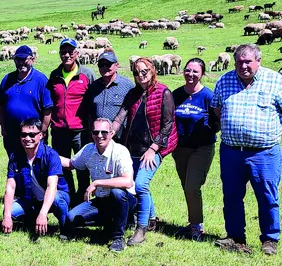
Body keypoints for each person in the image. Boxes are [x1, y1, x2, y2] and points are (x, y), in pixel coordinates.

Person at [211, 44, 282, 255]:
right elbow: (217, 109)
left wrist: (272, 132)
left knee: (267, 196)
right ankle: (234, 236)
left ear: (258, 60)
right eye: (239, 61)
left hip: (264, 153)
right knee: (231, 196)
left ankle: (270, 239)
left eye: (248, 61)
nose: (243, 66)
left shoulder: (275, 80)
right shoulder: (225, 80)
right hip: (231, 151)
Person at [112, 57, 177, 246]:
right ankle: (152, 218)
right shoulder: (133, 93)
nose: (140, 75)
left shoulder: (164, 92)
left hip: (154, 147)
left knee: (140, 185)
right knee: (136, 183)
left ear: (152, 70)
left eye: (144, 71)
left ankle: (141, 229)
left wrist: (153, 149)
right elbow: (121, 115)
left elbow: (168, 124)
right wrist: (110, 132)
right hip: (133, 147)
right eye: (136, 72)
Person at [60, 119, 136, 253]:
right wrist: (46, 153)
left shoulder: (120, 152)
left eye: (104, 132)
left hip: (124, 199)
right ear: (92, 134)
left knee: (117, 193)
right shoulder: (89, 149)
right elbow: (71, 164)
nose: (99, 135)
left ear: (112, 133)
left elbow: (127, 182)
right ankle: (110, 223)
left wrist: (97, 183)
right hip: (101, 200)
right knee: (71, 218)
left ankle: (118, 238)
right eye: (96, 132)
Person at [171, 58, 219, 241]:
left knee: (192, 186)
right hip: (180, 148)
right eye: (188, 70)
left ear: (202, 74)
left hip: (202, 147)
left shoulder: (208, 96)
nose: (190, 74)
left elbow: (218, 120)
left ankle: (197, 226)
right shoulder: (176, 95)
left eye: (195, 71)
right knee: (186, 186)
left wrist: (207, 129)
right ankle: (193, 223)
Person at [1, 118, 69, 237]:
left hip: (55, 195)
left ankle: (65, 229)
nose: (27, 138)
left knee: (58, 199)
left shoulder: (51, 155)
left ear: (41, 135)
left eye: (32, 135)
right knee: (9, 211)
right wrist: (6, 217)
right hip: (31, 199)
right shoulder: (15, 157)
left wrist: (43, 213)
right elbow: (10, 187)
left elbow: (51, 187)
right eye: (24, 135)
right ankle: (33, 219)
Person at [46, 38, 95, 201]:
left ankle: (83, 199)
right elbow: (50, 101)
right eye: (63, 52)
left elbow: (93, 102)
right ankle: (68, 198)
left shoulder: (86, 74)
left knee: (82, 167)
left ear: (77, 53)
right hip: (59, 131)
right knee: (61, 167)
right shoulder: (54, 75)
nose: (67, 55)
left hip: (80, 131)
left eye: (70, 52)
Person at [0, 45, 53, 157]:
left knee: (35, 166)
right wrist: (2, 128)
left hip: (33, 135)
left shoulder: (41, 80)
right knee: (14, 166)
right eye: (18, 59)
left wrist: (43, 131)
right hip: (12, 135)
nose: (21, 63)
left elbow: (48, 109)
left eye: (24, 59)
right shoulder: (7, 79)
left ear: (32, 59)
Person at [81, 51, 132, 141]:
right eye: (101, 65)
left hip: (120, 138)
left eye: (108, 64)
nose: (104, 67)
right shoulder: (94, 86)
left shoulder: (127, 86)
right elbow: (90, 114)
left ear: (116, 65)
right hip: (99, 137)